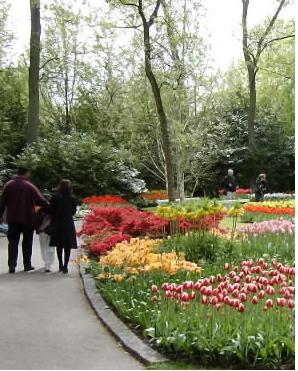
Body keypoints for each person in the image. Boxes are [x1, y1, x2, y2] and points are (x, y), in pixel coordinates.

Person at [0, 166, 48, 273]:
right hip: (28, 218)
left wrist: (0, 216)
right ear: (27, 173)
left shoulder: (9, 185)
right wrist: (50, 208)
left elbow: (2, 202)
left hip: (12, 219)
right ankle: (27, 265)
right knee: (27, 242)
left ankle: (12, 266)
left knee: (12, 243)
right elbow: (40, 199)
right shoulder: (30, 186)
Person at [48, 179, 78, 274]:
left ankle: (60, 264)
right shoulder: (72, 198)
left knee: (59, 245)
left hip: (57, 222)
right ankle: (65, 266)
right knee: (67, 245)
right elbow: (73, 212)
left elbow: (51, 210)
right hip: (68, 223)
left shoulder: (55, 197)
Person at [35, 203, 55, 272]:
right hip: (50, 230)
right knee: (50, 246)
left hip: (42, 231)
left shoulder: (39, 211)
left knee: (43, 246)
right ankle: (49, 264)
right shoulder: (53, 210)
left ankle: (46, 263)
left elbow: (36, 222)